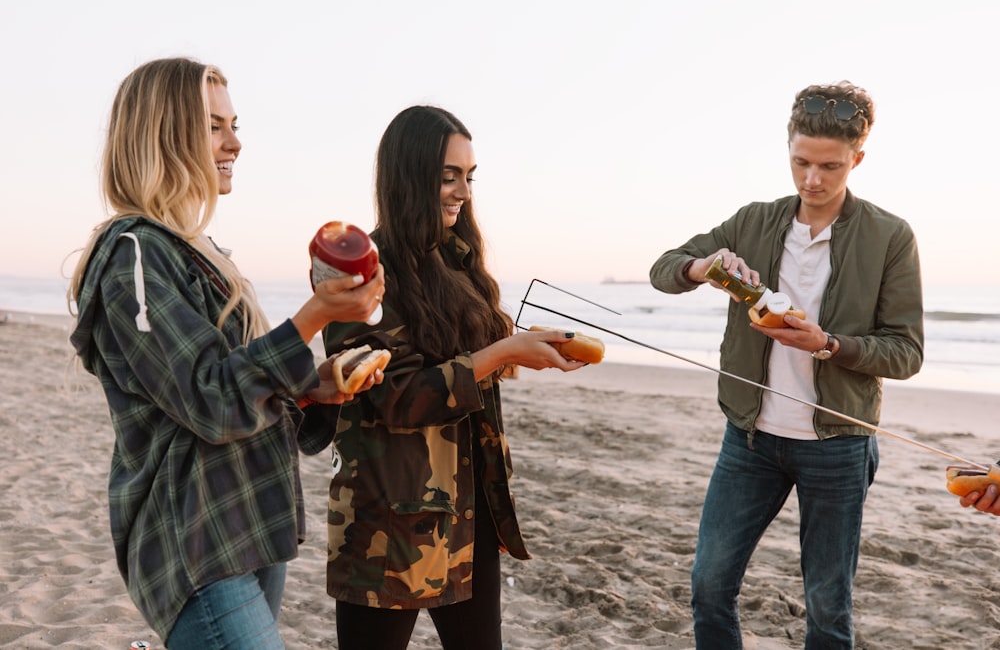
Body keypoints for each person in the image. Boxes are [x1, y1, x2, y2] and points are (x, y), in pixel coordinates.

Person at [68, 57, 385, 649]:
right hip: (194, 541)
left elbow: (242, 399)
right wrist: (316, 314)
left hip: (248, 522)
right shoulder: (134, 258)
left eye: (233, 124)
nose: (235, 142)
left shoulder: (200, 255)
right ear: (164, 134)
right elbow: (211, 400)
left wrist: (315, 386)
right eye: (214, 126)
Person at [298, 105, 586, 650]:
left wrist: (524, 351)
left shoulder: (456, 260)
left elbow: (476, 362)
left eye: (469, 177)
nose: (462, 192)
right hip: (387, 521)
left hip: (468, 507)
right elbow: (397, 398)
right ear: (409, 176)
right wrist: (502, 351)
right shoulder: (362, 270)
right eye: (448, 176)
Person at [649, 81, 924, 648]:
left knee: (827, 606)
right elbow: (664, 267)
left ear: (858, 159)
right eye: (800, 162)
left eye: (830, 166)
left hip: (839, 446)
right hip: (749, 440)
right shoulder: (754, 220)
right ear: (788, 150)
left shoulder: (891, 236)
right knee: (708, 583)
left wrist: (827, 344)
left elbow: (906, 351)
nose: (812, 180)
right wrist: (703, 267)